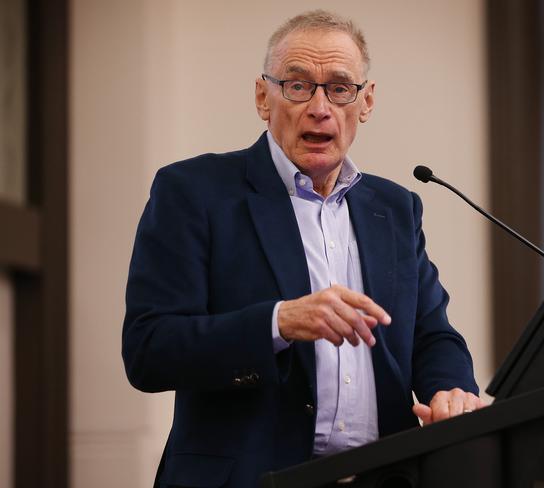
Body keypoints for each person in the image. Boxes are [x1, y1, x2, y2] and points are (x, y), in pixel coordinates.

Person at [122, 10, 484, 488]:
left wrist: (451, 392)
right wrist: (277, 323)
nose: (319, 107)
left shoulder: (395, 209)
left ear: (366, 101)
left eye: (338, 87)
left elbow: (431, 335)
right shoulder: (194, 193)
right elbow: (149, 349)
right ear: (263, 97)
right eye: (297, 85)